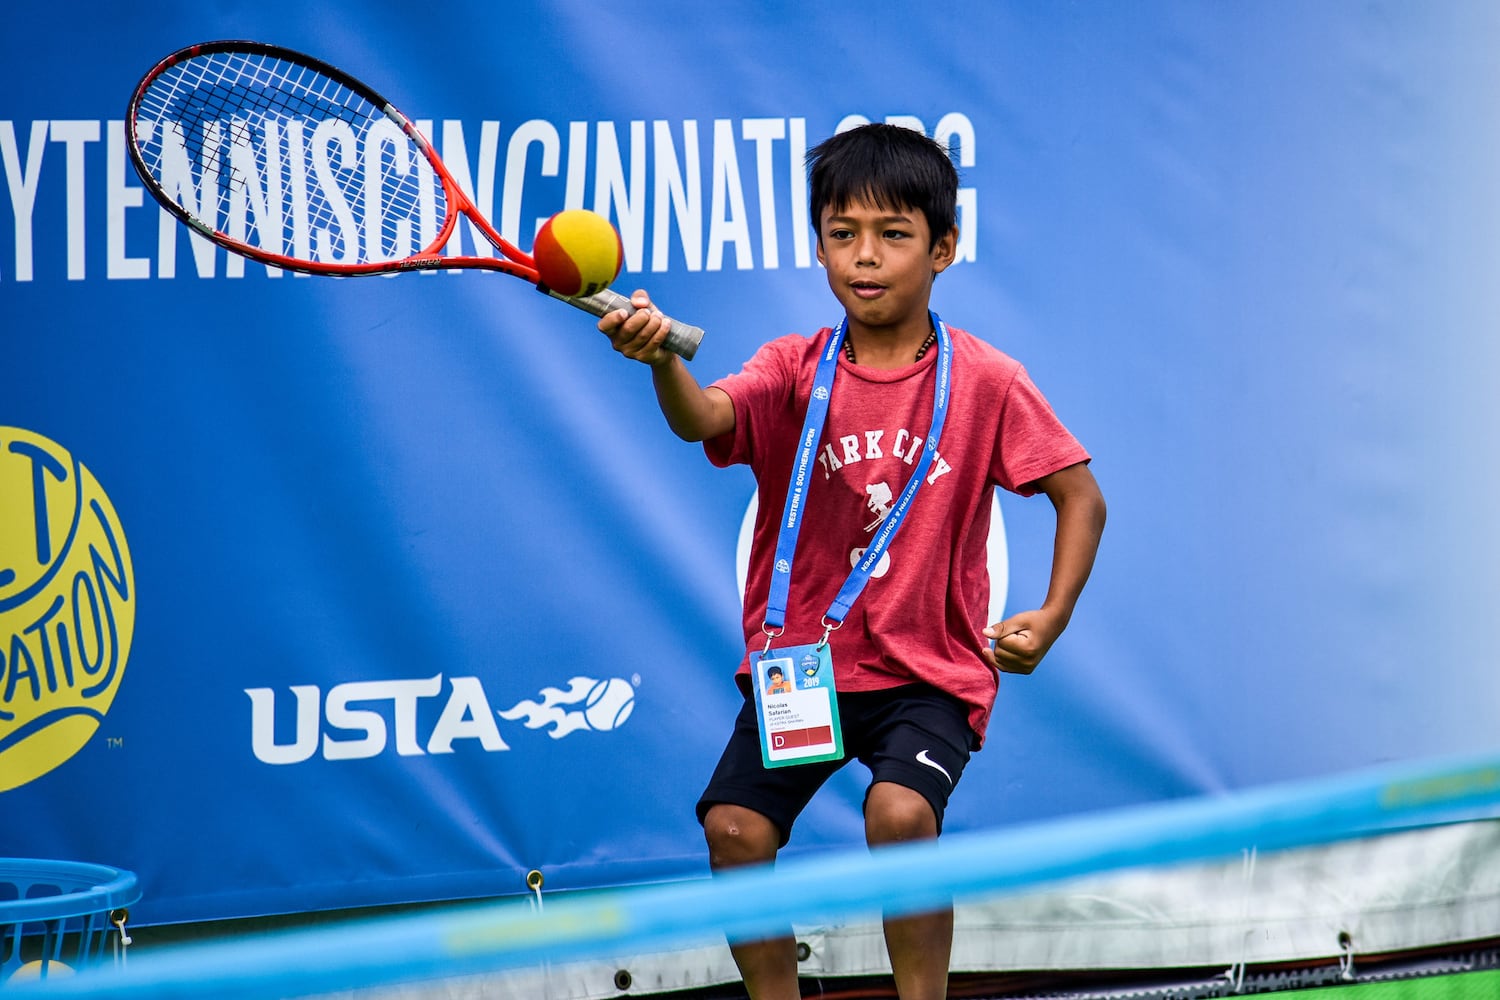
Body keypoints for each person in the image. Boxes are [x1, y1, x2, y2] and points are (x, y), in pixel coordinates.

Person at [598, 122, 1106, 1000]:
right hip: (803, 672)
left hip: (931, 673)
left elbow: (1080, 497)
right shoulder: (793, 367)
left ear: (943, 247)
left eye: (894, 234)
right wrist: (658, 366)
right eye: (843, 235)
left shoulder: (986, 378)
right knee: (734, 831)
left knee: (899, 814)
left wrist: (1053, 615)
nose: (865, 258)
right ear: (820, 244)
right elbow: (705, 418)